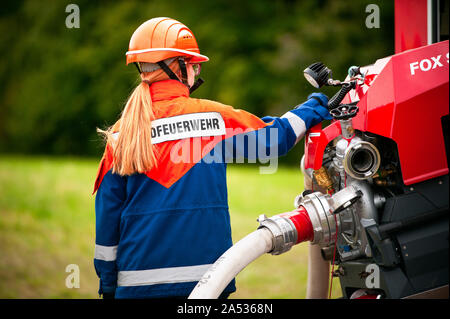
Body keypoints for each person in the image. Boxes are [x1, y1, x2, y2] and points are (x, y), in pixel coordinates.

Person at [93, 17, 331, 299]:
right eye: (193, 64)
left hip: (135, 286)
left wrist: (108, 285)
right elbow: (273, 140)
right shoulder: (212, 119)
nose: (197, 69)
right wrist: (313, 106)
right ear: (177, 67)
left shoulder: (120, 134)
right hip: (206, 282)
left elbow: (107, 224)